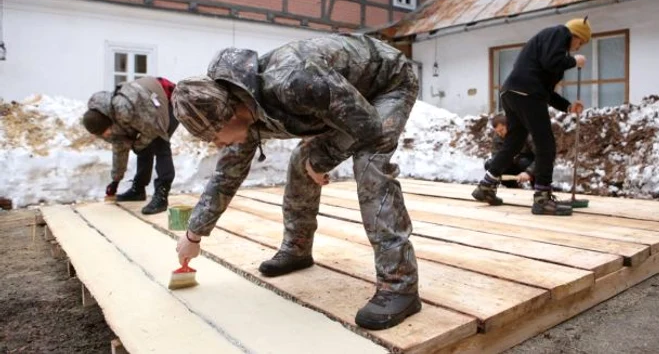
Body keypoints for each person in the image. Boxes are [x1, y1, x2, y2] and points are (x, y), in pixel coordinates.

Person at [171, 34, 421, 331]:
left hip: (387, 82)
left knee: (371, 164)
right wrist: (194, 235)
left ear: (231, 115)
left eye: (214, 137)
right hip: (343, 99)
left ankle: (400, 286)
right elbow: (226, 178)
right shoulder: (241, 104)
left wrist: (320, 160)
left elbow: (366, 127)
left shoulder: (293, 81)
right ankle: (297, 249)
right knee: (299, 163)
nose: (217, 145)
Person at [472, 18, 590, 215]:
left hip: (512, 92)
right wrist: (573, 61)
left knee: (514, 142)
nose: (578, 47)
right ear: (575, 35)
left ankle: (486, 185)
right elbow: (552, 63)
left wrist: (568, 107)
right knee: (545, 144)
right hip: (527, 93)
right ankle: (542, 198)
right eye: (580, 42)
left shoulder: (552, 49)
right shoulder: (559, 33)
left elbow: (547, 92)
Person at [82, 76, 178, 215]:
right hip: (145, 104)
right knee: (143, 145)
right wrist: (115, 181)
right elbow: (119, 148)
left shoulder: (124, 109)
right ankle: (138, 190)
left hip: (167, 99)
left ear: (109, 123)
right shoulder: (107, 117)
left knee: (159, 143)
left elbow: (154, 130)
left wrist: (137, 145)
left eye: (106, 132)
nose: (107, 135)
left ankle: (161, 195)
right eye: (104, 134)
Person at [485, 115, 535, 188]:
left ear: (509, 126)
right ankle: (511, 185)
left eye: (502, 130)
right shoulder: (498, 137)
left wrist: (529, 172)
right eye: (497, 132)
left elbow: (542, 157)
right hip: (512, 163)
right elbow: (496, 156)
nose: (500, 134)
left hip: (528, 163)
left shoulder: (526, 133)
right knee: (490, 164)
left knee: (523, 162)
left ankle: (538, 186)